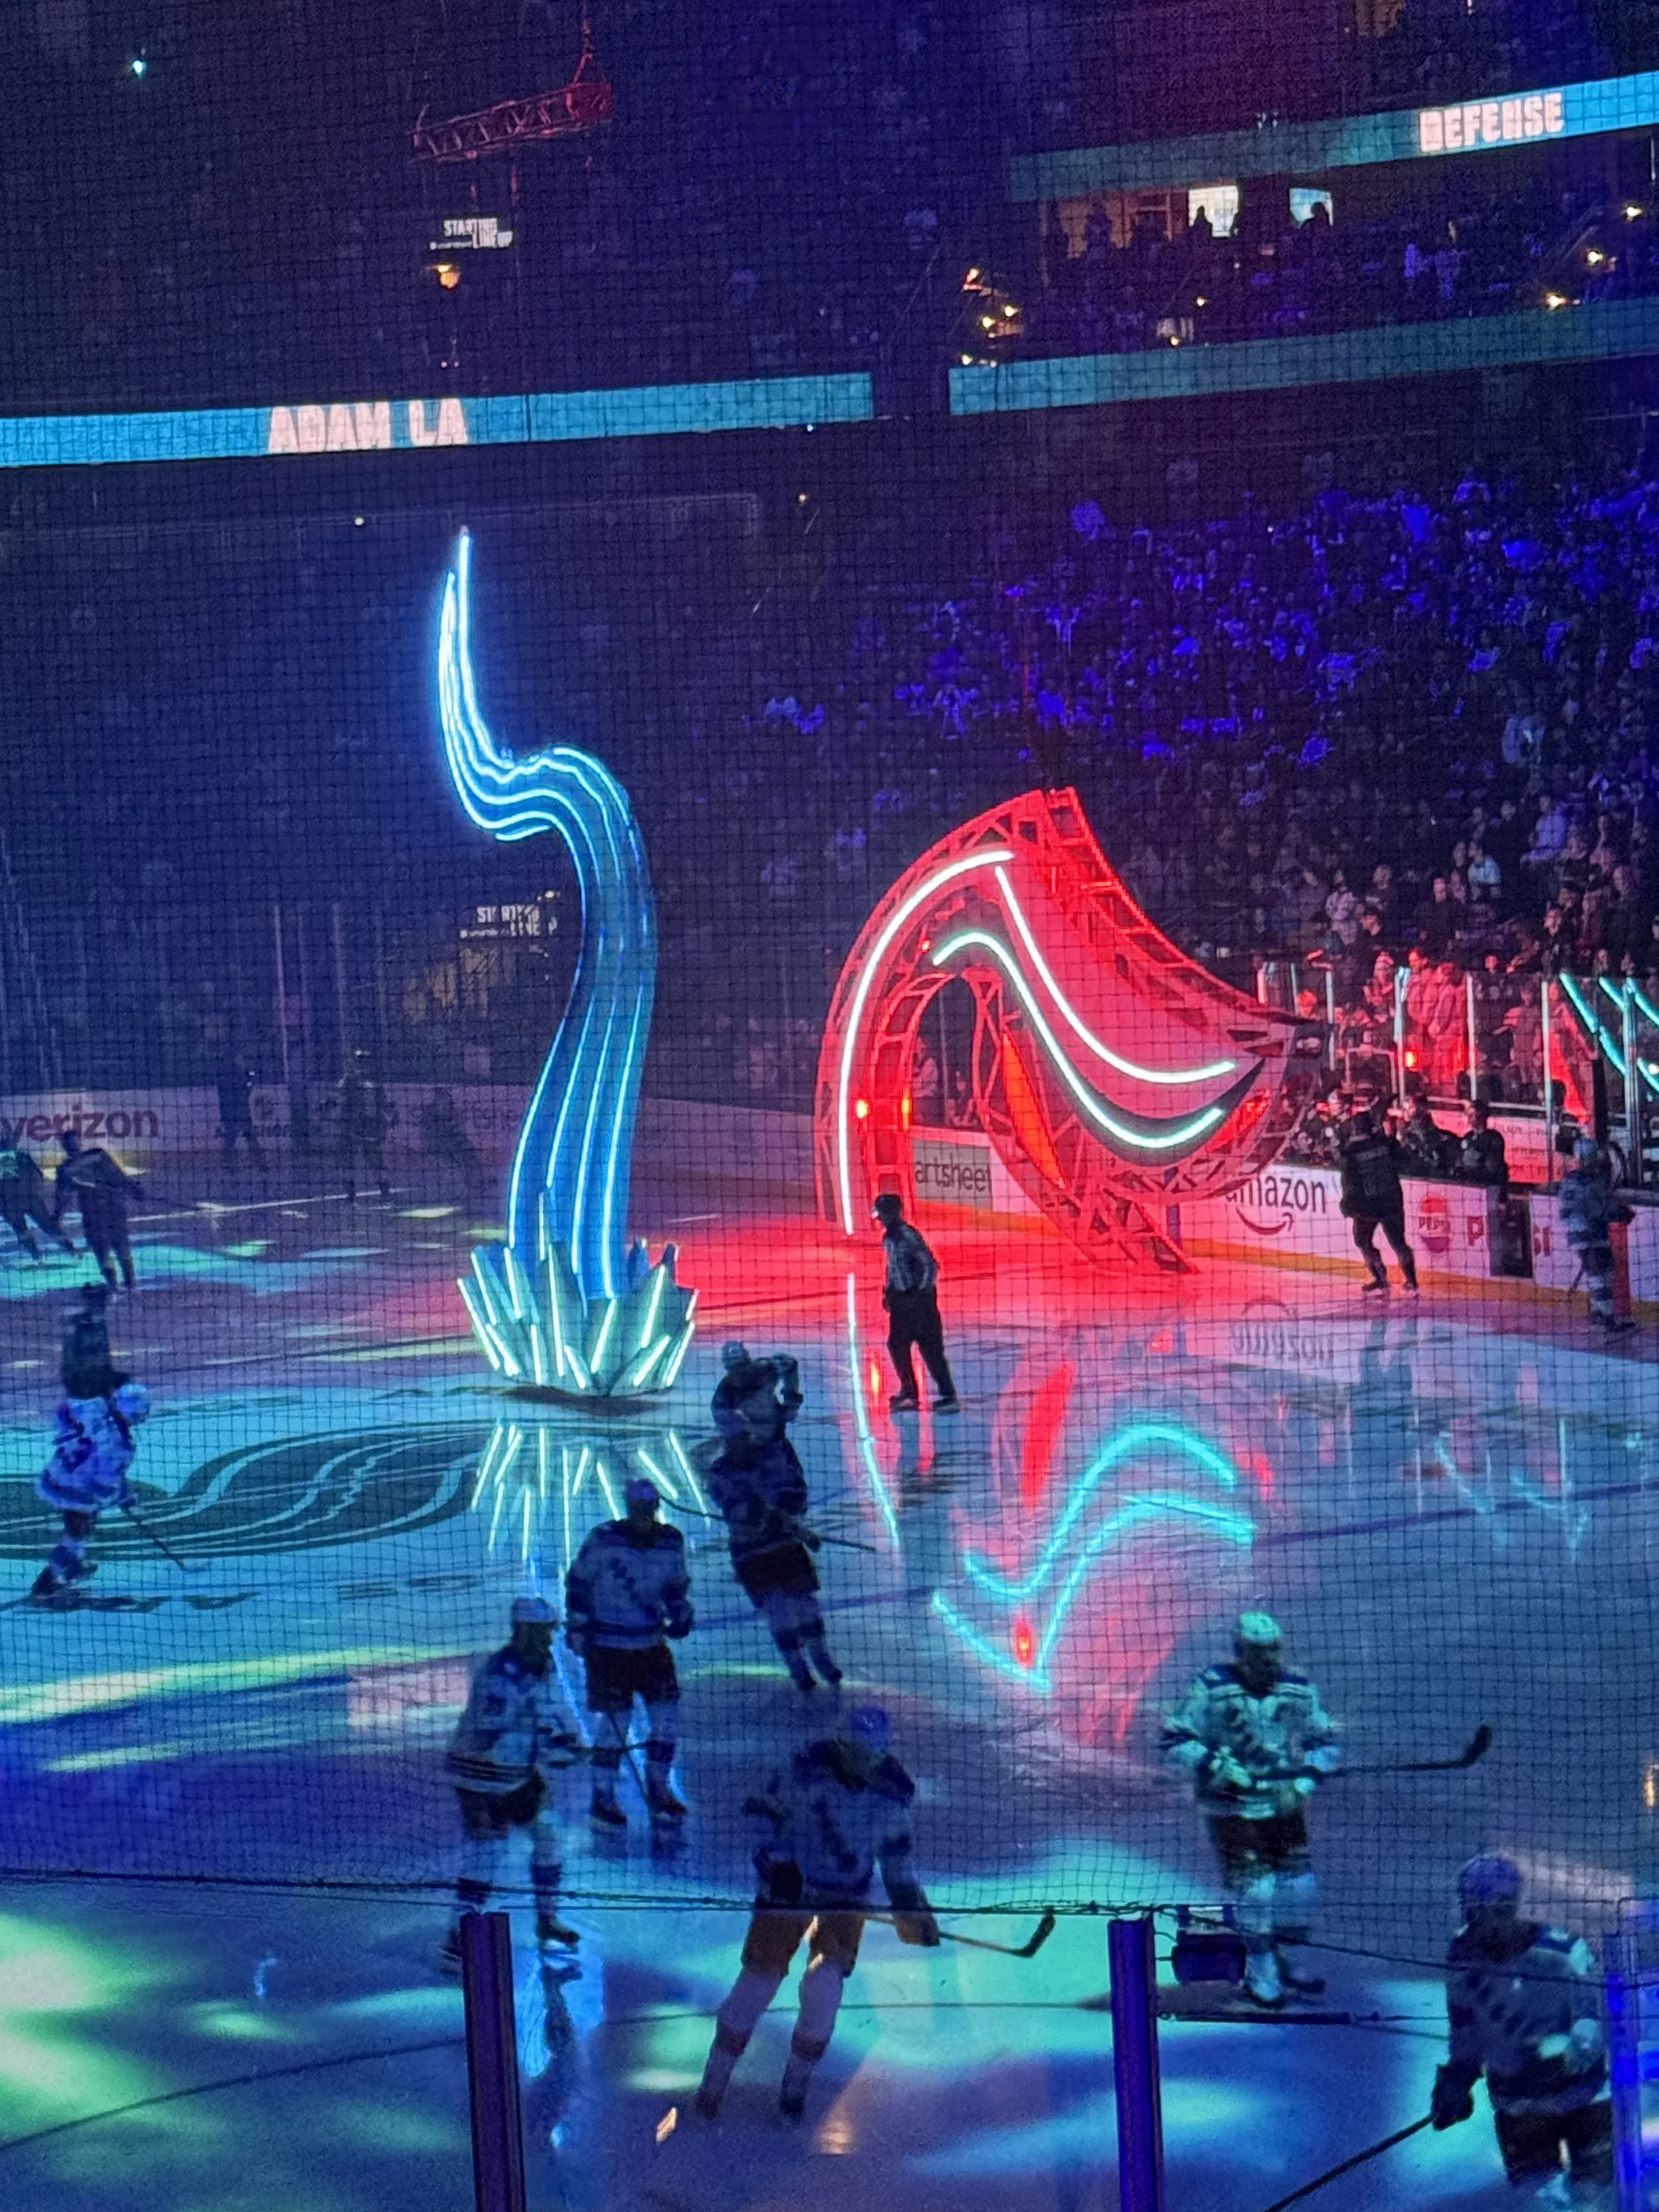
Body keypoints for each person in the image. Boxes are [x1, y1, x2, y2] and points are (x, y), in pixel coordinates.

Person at [695, 1705, 939, 2122]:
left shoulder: (892, 1794)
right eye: (855, 1754)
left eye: (871, 1757)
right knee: (757, 1983)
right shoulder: (802, 1771)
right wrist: (779, 1862)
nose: (862, 1765)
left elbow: (896, 1860)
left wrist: (910, 1905)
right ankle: (715, 2080)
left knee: (825, 1989)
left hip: (845, 1900)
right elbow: (759, 1814)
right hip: (787, 1893)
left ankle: (796, 2082)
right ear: (841, 1746)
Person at [1161, 1612, 1342, 2008]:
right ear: (1240, 1652)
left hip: (1282, 1802)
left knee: (1299, 1887)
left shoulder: (1298, 1688)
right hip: (1232, 1809)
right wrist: (1216, 1765)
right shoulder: (1212, 1688)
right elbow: (1173, 1739)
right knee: (1256, 1891)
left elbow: (1327, 1742)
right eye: (1259, 1652)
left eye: (1275, 1649)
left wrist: (1302, 1783)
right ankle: (1262, 1972)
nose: (1269, 1659)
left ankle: (1291, 1958)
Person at [1431, 1854, 1611, 2207]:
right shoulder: (1462, 1955)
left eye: (1494, 1910)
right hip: (1520, 2108)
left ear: (1512, 1905)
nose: (1483, 1923)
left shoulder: (1562, 1949)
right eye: (1474, 1911)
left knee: (1596, 2197)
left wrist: (1580, 2042)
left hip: (1585, 2098)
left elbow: (1596, 2013)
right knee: (1541, 2201)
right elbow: (1466, 2029)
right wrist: (1457, 2079)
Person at [439, 1594, 583, 1967]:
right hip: (480, 1776)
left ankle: (548, 1920)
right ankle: (458, 1932)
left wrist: (568, 1740)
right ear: (522, 1631)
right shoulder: (500, 1678)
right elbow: (493, 1733)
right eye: (541, 1632)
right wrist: (553, 1746)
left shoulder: (542, 1664)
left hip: (516, 1774)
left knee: (549, 1835)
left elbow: (551, 1714)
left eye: (550, 1631)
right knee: (487, 1853)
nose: (549, 1639)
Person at [707, 1343, 841, 1694]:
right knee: (778, 1610)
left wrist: (791, 1401)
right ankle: (797, 1666)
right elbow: (735, 1509)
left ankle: (821, 1655)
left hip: (783, 1542)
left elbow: (797, 1492)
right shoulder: (722, 1460)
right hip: (753, 1551)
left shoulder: (776, 1455)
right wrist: (760, 1515)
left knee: (805, 1602)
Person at [564, 1477, 692, 1828]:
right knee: (616, 1724)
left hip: (652, 1647)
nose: (643, 1516)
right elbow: (577, 1581)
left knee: (666, 1720)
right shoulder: (604, 1540)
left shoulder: (671, 1542)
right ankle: (603, 1795)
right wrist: (577, 1625)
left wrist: (681, 1612)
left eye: (648, 1509)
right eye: (638, 1509)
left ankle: (659, 1786)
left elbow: (676, 1588)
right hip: (609, 1649)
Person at [30, 1295, 151, 1605]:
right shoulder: (121, 1447)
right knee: (79, 1530)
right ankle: (50, 1581)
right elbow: (102, 1486)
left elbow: (65, 1412)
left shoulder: (91, 1410)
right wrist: (123, 1496)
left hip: (58, 1473)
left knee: (80, 1526)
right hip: (77, 1488)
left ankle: (71, 1564)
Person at [872, 1191, 959, 1414]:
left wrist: (921, 1294)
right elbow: (893, 1267)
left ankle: (948, 1395)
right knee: (897, 1345)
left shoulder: (908, 1236)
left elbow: (930, 1265)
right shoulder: (889, 1238)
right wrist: (889, 1291)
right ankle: (909, 1392)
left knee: (931, 1350)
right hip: (901, 1303)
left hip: (920, 1305)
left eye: (882, 1214)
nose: (880, 1219)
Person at [1338, 1106, 1419, 1293]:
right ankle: (1412, 1280)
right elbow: (1405, 1161)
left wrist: (1348, 1205)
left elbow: (1349, 1183)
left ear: (1355, 1129)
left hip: (1368, 1206)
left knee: (1362, 1240)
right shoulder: (1386, 1143)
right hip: (1392, 1200)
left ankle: (1380, 1277)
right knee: (1398, 1242)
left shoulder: (1351, 1152)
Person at [1558, 1136, 1634, 1333]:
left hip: (1597, 1233)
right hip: (1585, 1235)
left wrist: (1618, 1213)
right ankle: (1606, 1317)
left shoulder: (1595, 1180)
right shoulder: (1574, 1182)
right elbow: (1570, 1212)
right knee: (1598, 1272)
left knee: (1605, 1270)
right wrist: (1585, 1226)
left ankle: (1601, 1313)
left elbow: (1603, 1207)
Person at [54, 1129, 141, 1290]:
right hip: (113, 1207)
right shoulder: (98, 1155)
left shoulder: (65, 1170)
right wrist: (133, 1189)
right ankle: (130, 1281)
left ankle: (114, 1283)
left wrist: (57, 1217)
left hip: (94, 1212)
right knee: (120, 1244)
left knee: (102, 1250)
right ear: (79, 1142)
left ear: (64, 1146)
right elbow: (119, 1177)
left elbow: (63, 1197)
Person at [0, 1140, 72, 1259]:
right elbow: (39, 1176)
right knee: (46, 1225)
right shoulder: (23, 1157)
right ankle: (70, 1250)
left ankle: (36, 1255)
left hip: (13, 1201)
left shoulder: (22, 1158)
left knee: (24, 1229)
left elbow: (38, 1176)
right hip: (27, 1198)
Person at [336, 1053, 391, 1201]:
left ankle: (384, 1192)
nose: (361, 1064)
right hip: (353, 1127)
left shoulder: (374, 1081)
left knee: (375, 1161)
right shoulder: (348, 1080)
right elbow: (342, 1103)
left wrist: (384, 1122)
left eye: (364, 1061)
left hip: (370, 1127)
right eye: (359, 1061)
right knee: (349, 1161)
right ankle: (351, 1194)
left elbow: (383, 1103)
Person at [215, 1061, 264, 1165]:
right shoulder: (240, 1082)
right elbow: (249, 1085)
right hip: (239, 1114)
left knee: (235, 1139)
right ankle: (259, 1162)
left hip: (236, 1114)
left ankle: (229, 1162)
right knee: (242, 1138)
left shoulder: (227, 1084)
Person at [1459, 1103, 1508, 1186]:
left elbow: (1493, 1166)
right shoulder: (1468, 1137)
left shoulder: (1493, 1138)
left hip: (1487, 1184)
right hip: (1468, 1183)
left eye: (1472, 1115)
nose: (1469, 1119)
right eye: (1468, 1115)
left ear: (1482, 1117)